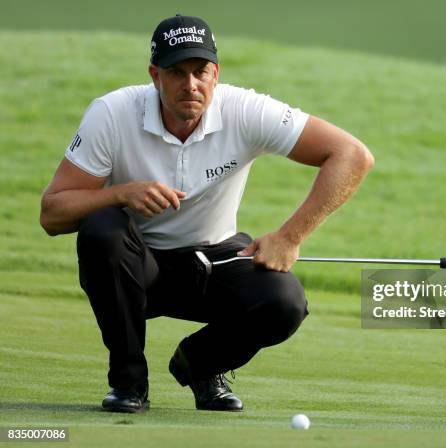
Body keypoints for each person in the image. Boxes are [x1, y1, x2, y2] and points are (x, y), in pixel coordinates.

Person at [40, 14, 374, 414]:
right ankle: (128, 383)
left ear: (216, 73)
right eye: (176, 72)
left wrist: (290, 236)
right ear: (154, 75)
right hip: (136, 269)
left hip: (216, 261)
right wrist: (122, 194)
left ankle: (202, 366)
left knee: (284, 302)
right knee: (102, 229)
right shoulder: (112, 113)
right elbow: (52, 213)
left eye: (201, 71)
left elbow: (352, 155)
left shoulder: (244, 109)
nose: (190, 84)